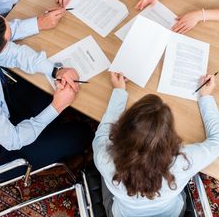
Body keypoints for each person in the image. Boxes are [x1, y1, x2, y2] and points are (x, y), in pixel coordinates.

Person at [93, 72, 219, 217]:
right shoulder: (183, 163)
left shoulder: (104, 159)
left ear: (123, 126)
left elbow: (104, 131)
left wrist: (119, 91)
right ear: (169, 136)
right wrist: (206, 97)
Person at [0, 14, 91, 174]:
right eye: (8, 41)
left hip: (1, 109)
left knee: (47, 93)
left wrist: (56, 70)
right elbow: (14, 139)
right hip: (0, 151)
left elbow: (14, 54)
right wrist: (56, 107)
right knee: (81, 133)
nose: (12, 41)